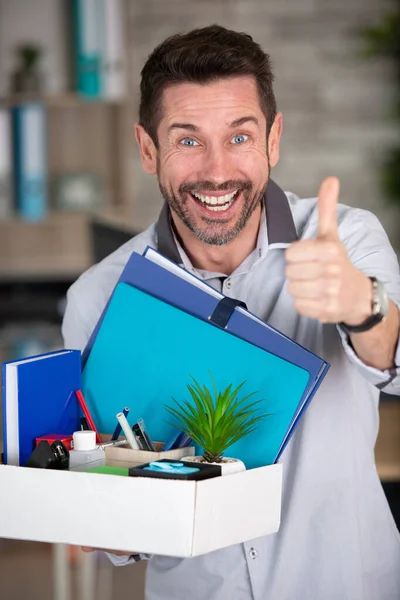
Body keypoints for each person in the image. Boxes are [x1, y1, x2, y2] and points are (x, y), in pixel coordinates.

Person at [62, 25, 400, 600]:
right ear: (149, 150)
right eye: (188, 140)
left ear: (273, 139)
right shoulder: (99, 296)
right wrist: (96, 511)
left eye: (239, 137)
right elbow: (119, 532)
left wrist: (360, 305)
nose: (216, 171)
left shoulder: (346, 239)